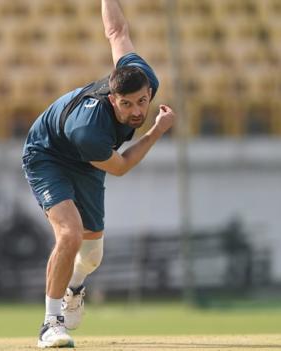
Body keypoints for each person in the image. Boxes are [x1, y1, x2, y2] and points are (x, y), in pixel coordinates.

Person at [21, 0, 176, 348]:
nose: (137, 111)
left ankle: (75, 287)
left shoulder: (141, 74)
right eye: (127, 104)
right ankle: (50, 324)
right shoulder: (90, 130)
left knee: (92, 256)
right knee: (70, 233)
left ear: (149, 90)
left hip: (89, 162)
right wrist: (156, 131)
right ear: (112, 99)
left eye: (142, 101)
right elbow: (119, 167)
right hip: (49, 155)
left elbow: (117, 31)